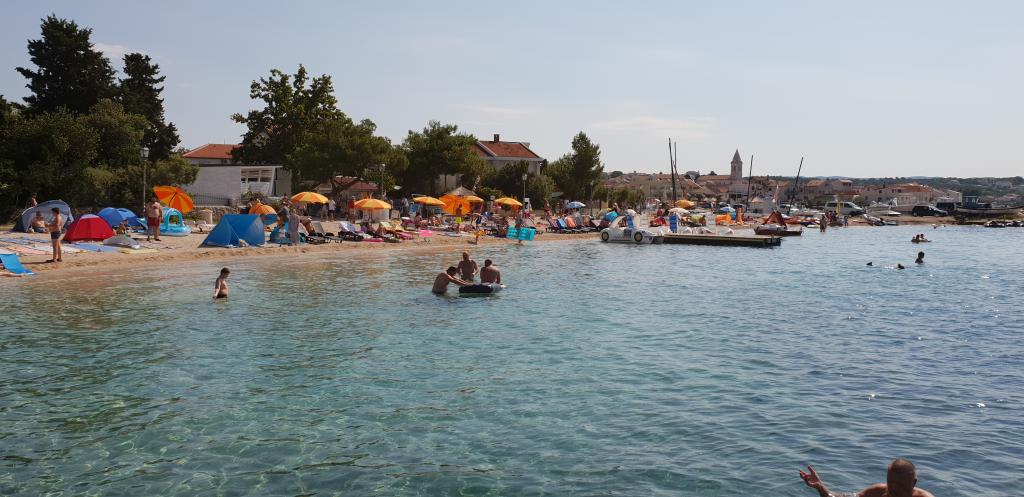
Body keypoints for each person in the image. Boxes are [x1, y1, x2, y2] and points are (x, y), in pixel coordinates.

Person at [799, 459, 934, 497]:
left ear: (913, 483)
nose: (894, 489)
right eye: (891, 483)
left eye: (901, 485)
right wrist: (821, 487)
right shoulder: (879, 492)